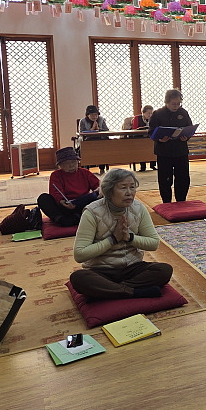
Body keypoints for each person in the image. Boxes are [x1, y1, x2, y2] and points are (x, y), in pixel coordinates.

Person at [70, 168, 172, 300]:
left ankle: (112, 290)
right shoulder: (92, 212)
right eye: (123, 188)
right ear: (109, 190)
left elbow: (154, 243)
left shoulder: (138, 208)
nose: (129, 193)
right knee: (79, 278)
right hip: (101, 270)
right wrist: (113, 239)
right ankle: (135, 292)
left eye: (132, 187)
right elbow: (80, 254)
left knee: (164, 270)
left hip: (132, 267)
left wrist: (129, 237)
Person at [35, 147, 101, 227]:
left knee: (101, 196)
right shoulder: (56, 175)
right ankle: (62, 219)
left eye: (73, 162)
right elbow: (55, 192)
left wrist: (99, 191)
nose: (71, 166)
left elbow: (98, 186)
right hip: (65, 205)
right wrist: (61, 201)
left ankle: (77, 217)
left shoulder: (85, 172)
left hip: (82, 204)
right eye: (67, 163)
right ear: (60, 165)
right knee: (43, 198)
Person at [149, 89, 193, 203]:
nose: (176, 106)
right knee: (165, 179)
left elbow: (189, 128)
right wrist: (160, 139)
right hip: (164, 151)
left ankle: (181, 200)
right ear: (167, 102)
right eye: (173, 104)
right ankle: (166, 202)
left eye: (178, 103)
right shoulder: (158, 113)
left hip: (180, 150)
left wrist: (186, 137)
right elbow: (151, 131)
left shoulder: (183, 112)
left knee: (183, 178)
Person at [78, 105, 110, 173]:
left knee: (103, 149)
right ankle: (86, 169)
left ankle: (102, 168)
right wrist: (92, 129)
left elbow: (106, 130)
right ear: (87, 115)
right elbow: (81, 132)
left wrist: (99, 129)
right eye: (92, 115)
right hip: (87, 141)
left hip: (100, 140)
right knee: (85, 149)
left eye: (96, 115)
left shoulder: (101, 119)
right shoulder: (83, 121)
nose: (94, 117)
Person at [132, 105, 157, 172]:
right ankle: (143, 166)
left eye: (151, 113)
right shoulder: (137, 118)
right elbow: (134, 128)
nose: (150, 115)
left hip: (150, 137)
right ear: (143, 113)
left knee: (153, 146)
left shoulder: (153, 118)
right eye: (148, 113)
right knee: (141, 149)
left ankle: (153, 165)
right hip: (139, 138)